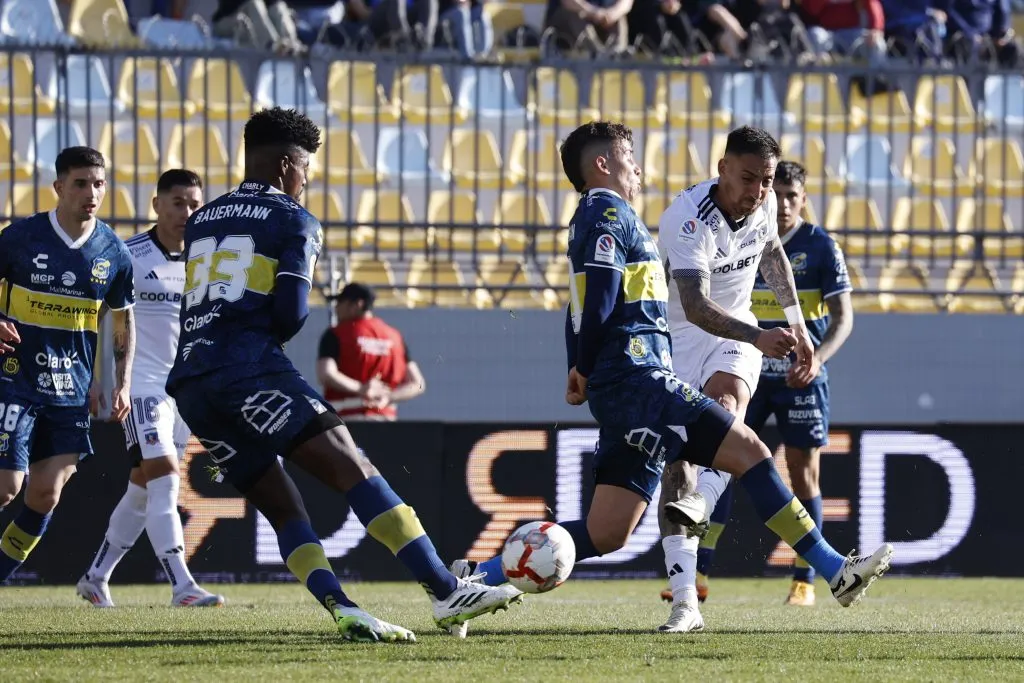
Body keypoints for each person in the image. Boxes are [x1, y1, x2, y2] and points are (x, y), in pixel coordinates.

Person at [449, 120, 892, 639]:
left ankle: (474, 579)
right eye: (628, 157)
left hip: (643, 373)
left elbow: (582, 301)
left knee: (608, 532)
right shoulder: (632, 214)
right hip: (651, 365)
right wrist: (587, 365)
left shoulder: (599, 214)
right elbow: (634, 301)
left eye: (766, 180)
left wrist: (579, 364)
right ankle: (829, 569)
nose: (638, 166)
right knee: (744, 450)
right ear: (723, 169)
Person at [164, 106, 519, 643]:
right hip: (249, 367)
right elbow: (289, 313)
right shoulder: (294, 219)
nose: (306, 180)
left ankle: (342, 606)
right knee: (354, 466)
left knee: (284, 507)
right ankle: (445, 590)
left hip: (191, 380)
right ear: (286, 165)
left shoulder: (202, 219)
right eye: (305, 169)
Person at [653, 126, 816, 632]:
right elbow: (697, 308)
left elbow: (771, 253)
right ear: (722, 167)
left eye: (766, 181)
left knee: (725, 413)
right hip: (678, 336)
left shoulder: (762, 203)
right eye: (748, 178)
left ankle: (704, 499)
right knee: (678, 465)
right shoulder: (686, 219)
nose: (759, 191)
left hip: (733, 336)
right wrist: (759, 334)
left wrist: (795, 321)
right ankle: (685, 602)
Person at [684, 160, 855, 608]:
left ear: (804, 199)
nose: (782, 205)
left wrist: (817, 356)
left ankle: (805, 580)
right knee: (722, 462)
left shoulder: (821, 247)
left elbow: (843, 318)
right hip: (749, 370)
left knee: (803, 473)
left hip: (801, 377)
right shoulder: (745, 234)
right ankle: (698, 571)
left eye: (792, 197)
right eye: (775, 194)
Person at [76, 170, 226, 608]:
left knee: (142, 489)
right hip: (140, 388)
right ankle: (182, 585)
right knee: (165, 482)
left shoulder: (207, 261)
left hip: (182, 392)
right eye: (178, 202)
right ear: (156, 204)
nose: (187, 212)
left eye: (195, 203)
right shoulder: (128, 255)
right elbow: (94, 317)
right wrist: (100, 379)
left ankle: (96, 576)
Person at [0, 147, 136, 583]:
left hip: (69, 390)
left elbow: (122, 318)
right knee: (6, 488)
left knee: (45, 493)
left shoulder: (113, 252)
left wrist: (120, 381)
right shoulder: (20, 238)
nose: (91, 192)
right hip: (13, 380)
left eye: (98, 183)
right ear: (58, 187)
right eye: (80, 183)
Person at [316, 282, 426, 421]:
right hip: (386, 420)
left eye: (340, 302)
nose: (336, 308)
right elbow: (418, 383)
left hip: (345, 420)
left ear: (358, 304)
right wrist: (388, 397)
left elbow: (326, 374)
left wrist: (361, 389)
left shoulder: (336, 334)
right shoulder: (395, 336)